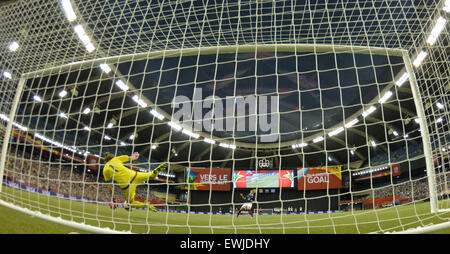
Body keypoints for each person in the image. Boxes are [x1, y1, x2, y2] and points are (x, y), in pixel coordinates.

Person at [102, 151, 167, 212]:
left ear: (105, 161)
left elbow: (110, 186)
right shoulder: (116, 159)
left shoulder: (105, 169)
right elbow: (133, 158)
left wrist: (113, 198)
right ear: (112, 157)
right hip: (134, 175)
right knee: (151, 176)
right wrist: (136, 155)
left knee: (131, 203)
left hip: (127, 185)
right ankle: (156, 170)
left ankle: (145, 205)